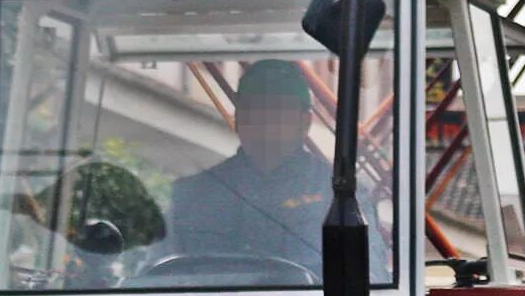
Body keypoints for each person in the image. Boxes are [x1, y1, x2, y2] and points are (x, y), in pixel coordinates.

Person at [162, 60, 389, 282]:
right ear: (238, 118)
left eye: (278, 109)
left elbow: (370, 282)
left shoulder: (344, 196)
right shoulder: (191, 196)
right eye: (255, 109)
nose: (266, 120)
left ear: (305, 121)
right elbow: (156, 278)